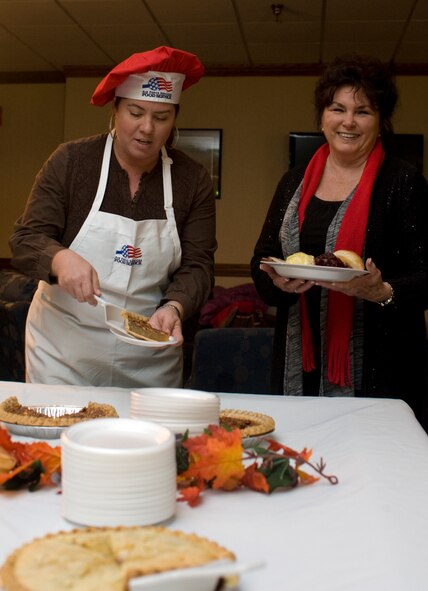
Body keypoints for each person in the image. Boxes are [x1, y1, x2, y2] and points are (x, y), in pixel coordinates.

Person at [9, 46, 217, 388]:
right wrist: (60, 259)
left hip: (149, 351)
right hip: (63, 353)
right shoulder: (72, 163)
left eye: (161, 117)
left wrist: (176, 307)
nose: (147, 128)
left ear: (174, 120)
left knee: (149, 441)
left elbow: (198, 264)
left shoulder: (191, 180)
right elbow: (25, 239)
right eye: (135, 112)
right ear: (116, 110)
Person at [251, 54, 428, 425]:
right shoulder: (293, 182)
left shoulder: (404, 182)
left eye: (363, 111)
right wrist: (278, 281)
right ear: (322, 116)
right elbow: (263, 260)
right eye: (338, 108)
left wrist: (383, 291)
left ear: (381, 122)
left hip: (380, 370)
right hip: (299, 364)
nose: (348, 121)